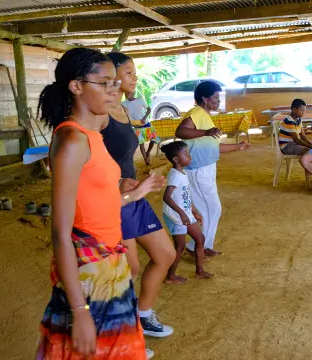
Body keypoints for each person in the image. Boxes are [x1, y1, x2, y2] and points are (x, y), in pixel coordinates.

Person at [36, 48, 164, 359]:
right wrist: (79, 310)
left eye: (114, 82)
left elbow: (99, 199)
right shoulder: (71, 140)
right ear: (76, 86)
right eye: (104, 83)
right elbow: (61, 232)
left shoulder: (92, 135)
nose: (114, 89)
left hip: (110, 261)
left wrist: (136, 193)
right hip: (89, 271)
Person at [102, 52, 176, 338]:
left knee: (166, 254)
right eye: (129, 72)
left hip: (134, 195)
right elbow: (90, 159)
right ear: (112, 75)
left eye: (134, 72)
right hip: (114, 199)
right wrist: (117, 181)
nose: (135, 77)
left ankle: (142, 314)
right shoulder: (101, 111)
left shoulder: (123, 109)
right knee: (128, 269)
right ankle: (121, 332)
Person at [175, 81, 250, 257]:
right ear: (205, 98)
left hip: (206, 169)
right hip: (199, 170)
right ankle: (197, 246)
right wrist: (205, 132)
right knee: (212, 209)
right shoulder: (196, 113)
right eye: (215, 97)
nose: (218, 101)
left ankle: (200, 245)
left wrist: (238, 146)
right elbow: (181, 132)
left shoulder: (205, 117)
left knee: (209, 209)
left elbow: (214, 147)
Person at [161, 141, 212, 284]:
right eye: (185, 154)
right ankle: (170, 276)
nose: (189, 157)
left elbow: (185, 195)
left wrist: (193, 211)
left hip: (185, 213)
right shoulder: (175, 175)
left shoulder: (182, 173)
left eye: (189, 154)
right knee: (180, 246)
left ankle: (199, 271)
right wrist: (182, 214)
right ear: (176, 159)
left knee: (200, 239)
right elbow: (167, 197)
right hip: (176, 216)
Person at [122, 91, 161, 166]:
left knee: (153, 139)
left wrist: (144, 118)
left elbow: (149, 109)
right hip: (136, 126)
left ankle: (148, 152)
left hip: (145, 123)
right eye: (125, 94)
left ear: (133, 93)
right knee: (141, 143)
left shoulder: (140, 101)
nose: (126, 95)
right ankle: (146, 160)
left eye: (128, 93)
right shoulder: (124, 103)